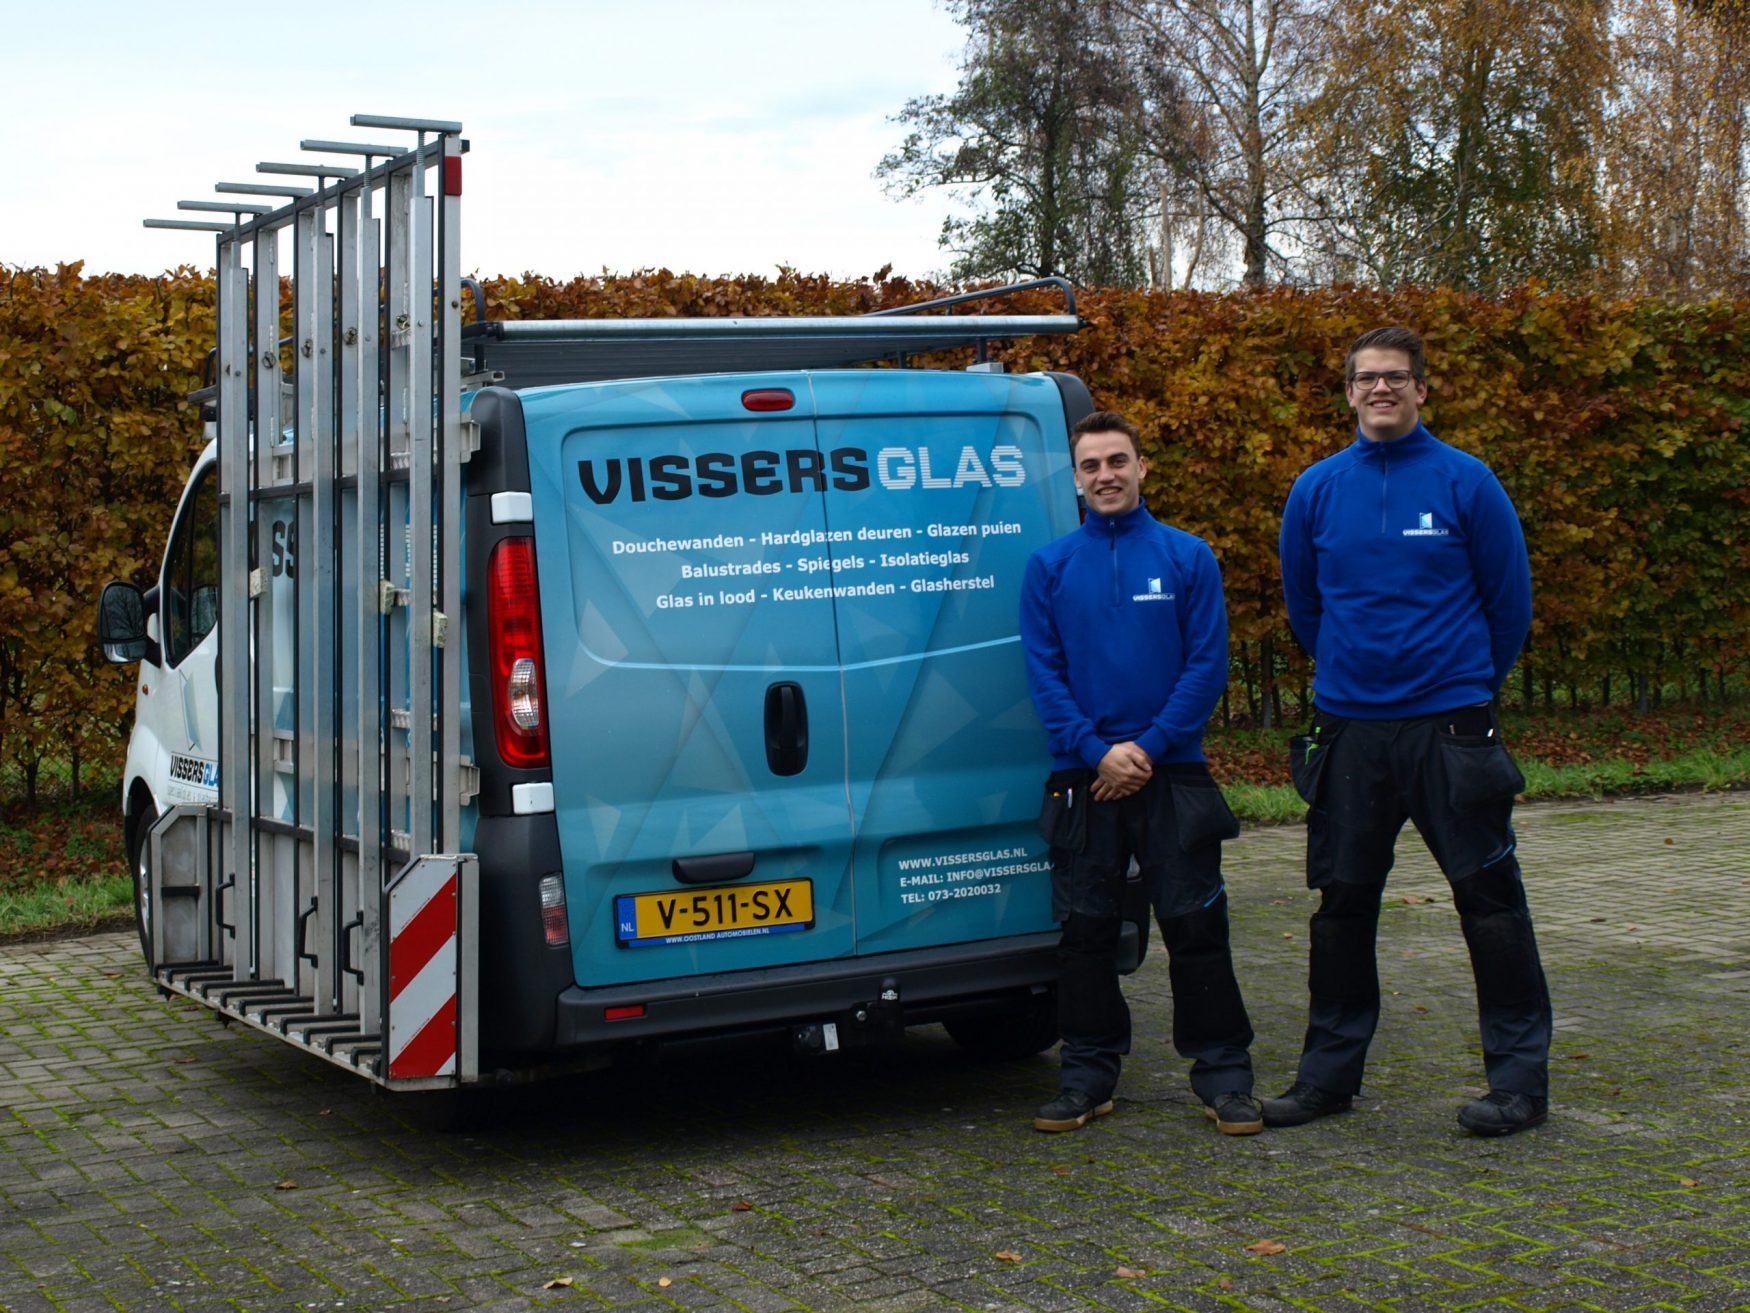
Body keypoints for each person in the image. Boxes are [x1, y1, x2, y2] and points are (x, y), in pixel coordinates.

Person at [1270, 326, 1552, 1137]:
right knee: (1342, 907)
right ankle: (1327, 1079)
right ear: (1350, 392)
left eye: (1397, 377)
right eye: (1367, 378)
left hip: (1451, 730)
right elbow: (1307, 607)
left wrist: (1458, 684)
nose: (1382, 389)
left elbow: (1509, 607)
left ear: (1423, 390)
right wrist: (1358, 678)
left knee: (1490, 903)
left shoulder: (1468, 482)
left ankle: (1518, 1083)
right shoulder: (1316, 490)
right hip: (1352, 730)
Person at [1019, 410, 1259, 1135]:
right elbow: (1044, 674)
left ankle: (1224, 1076)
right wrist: (1098, 753)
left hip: (1172, 774)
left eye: (1117, 461)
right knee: (1086, 934)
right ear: (1076, 480)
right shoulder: (1049, 567)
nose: (1106, 476)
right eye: (1091, 466)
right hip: (1083, 779)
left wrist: (1146, 749)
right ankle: (1088, 1076)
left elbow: (1205, 666)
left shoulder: (1189, 557)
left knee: (1196, 927)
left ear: (1143, 466)